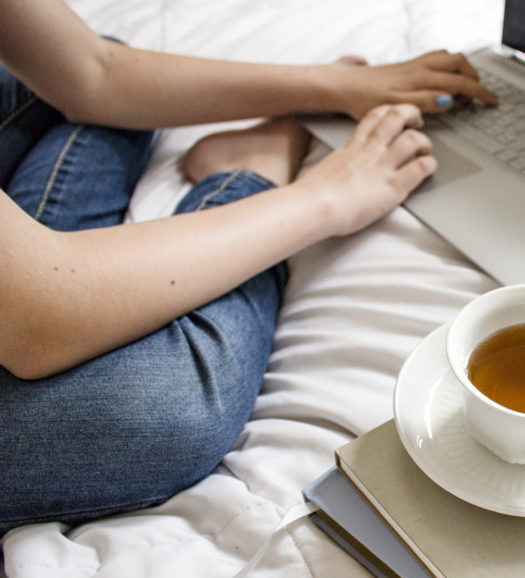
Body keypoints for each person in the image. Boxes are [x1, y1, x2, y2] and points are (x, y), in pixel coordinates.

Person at [0, 0, 496, 538]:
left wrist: (331, 88)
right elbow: (43, 316)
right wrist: (323, 198)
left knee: (72, 76)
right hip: (36, 315)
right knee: (163, 409)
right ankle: (245, 172)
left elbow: (92, 71)